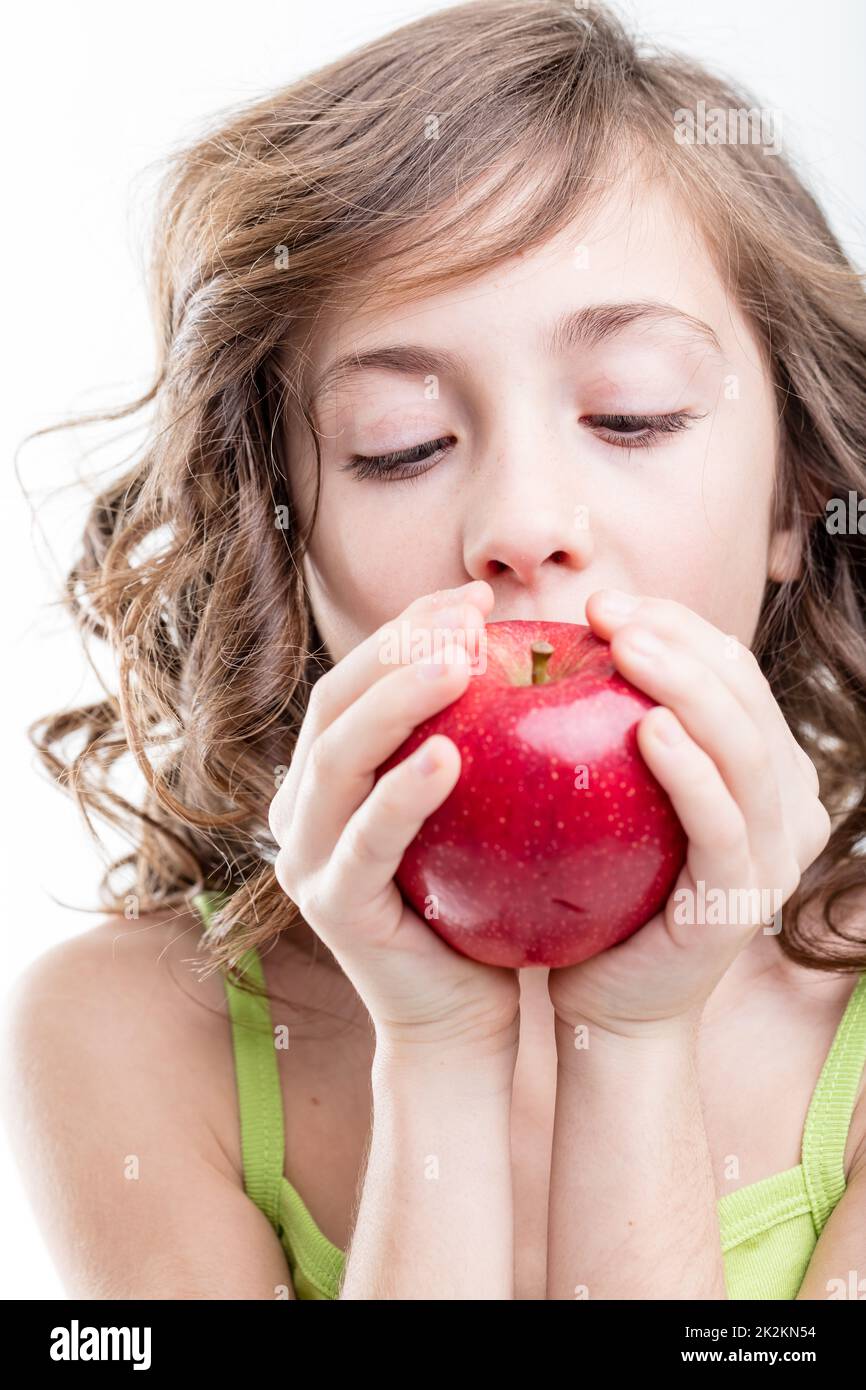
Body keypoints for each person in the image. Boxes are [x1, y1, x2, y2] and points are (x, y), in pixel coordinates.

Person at [5, 0, 866, 1300]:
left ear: (795, 495)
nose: (520, 525)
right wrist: (436, 1054)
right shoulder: (129, 1033)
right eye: (399, 442)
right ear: (282, 532)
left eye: (629, 417)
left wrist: (627, 1050)